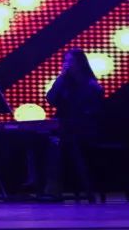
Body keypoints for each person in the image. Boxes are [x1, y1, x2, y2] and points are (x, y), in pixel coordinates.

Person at [45, 48, 104, 200]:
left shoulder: (91, 84)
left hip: (83, 130)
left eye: (70, 61)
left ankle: (53, 190)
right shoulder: (65, 83)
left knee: (56, 146)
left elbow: (92, 111)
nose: (66, 64)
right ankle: (43, 187)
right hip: (65, 128)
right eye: (65, 61)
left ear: (80, 63)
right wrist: (60, 78)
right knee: (40, 142)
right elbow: (51, 99)